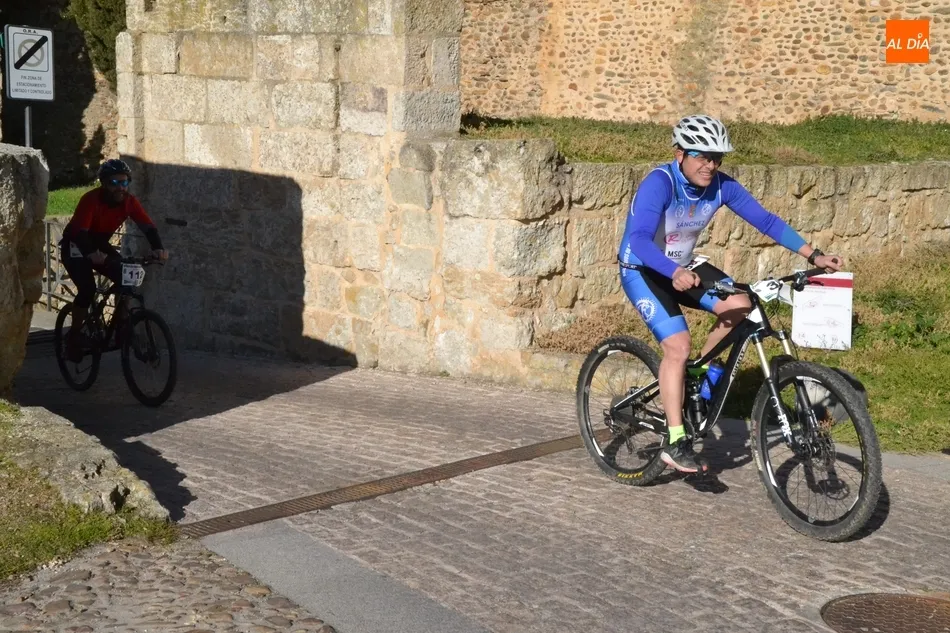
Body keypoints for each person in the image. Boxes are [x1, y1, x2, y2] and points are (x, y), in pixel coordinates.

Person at [617, 115, 842, 474]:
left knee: (741, 305)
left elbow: (766, 221)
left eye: (717, 158)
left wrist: (814, 255)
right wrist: (674, 272)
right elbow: (640, 240)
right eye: (702, 156)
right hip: (643, 268)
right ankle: (676, 440)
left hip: (684, 266)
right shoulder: (659, 183)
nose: (711, 165)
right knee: (678, 346)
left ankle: (699, 372)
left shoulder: (721, 186)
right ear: (679, 154)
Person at [60, 159, 168, 362]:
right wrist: (91, 254)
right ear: (104, 183)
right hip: (76, 245)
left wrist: (158, 248)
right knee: (87, 289)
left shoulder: (129, 202)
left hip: (99, 243)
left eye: (124, 182)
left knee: (125, 276)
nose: (120, 188)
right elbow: (80, 233)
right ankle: (73, 336)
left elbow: (148, 227)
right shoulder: (90, 200)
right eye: (114, 183)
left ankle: (121, 325)